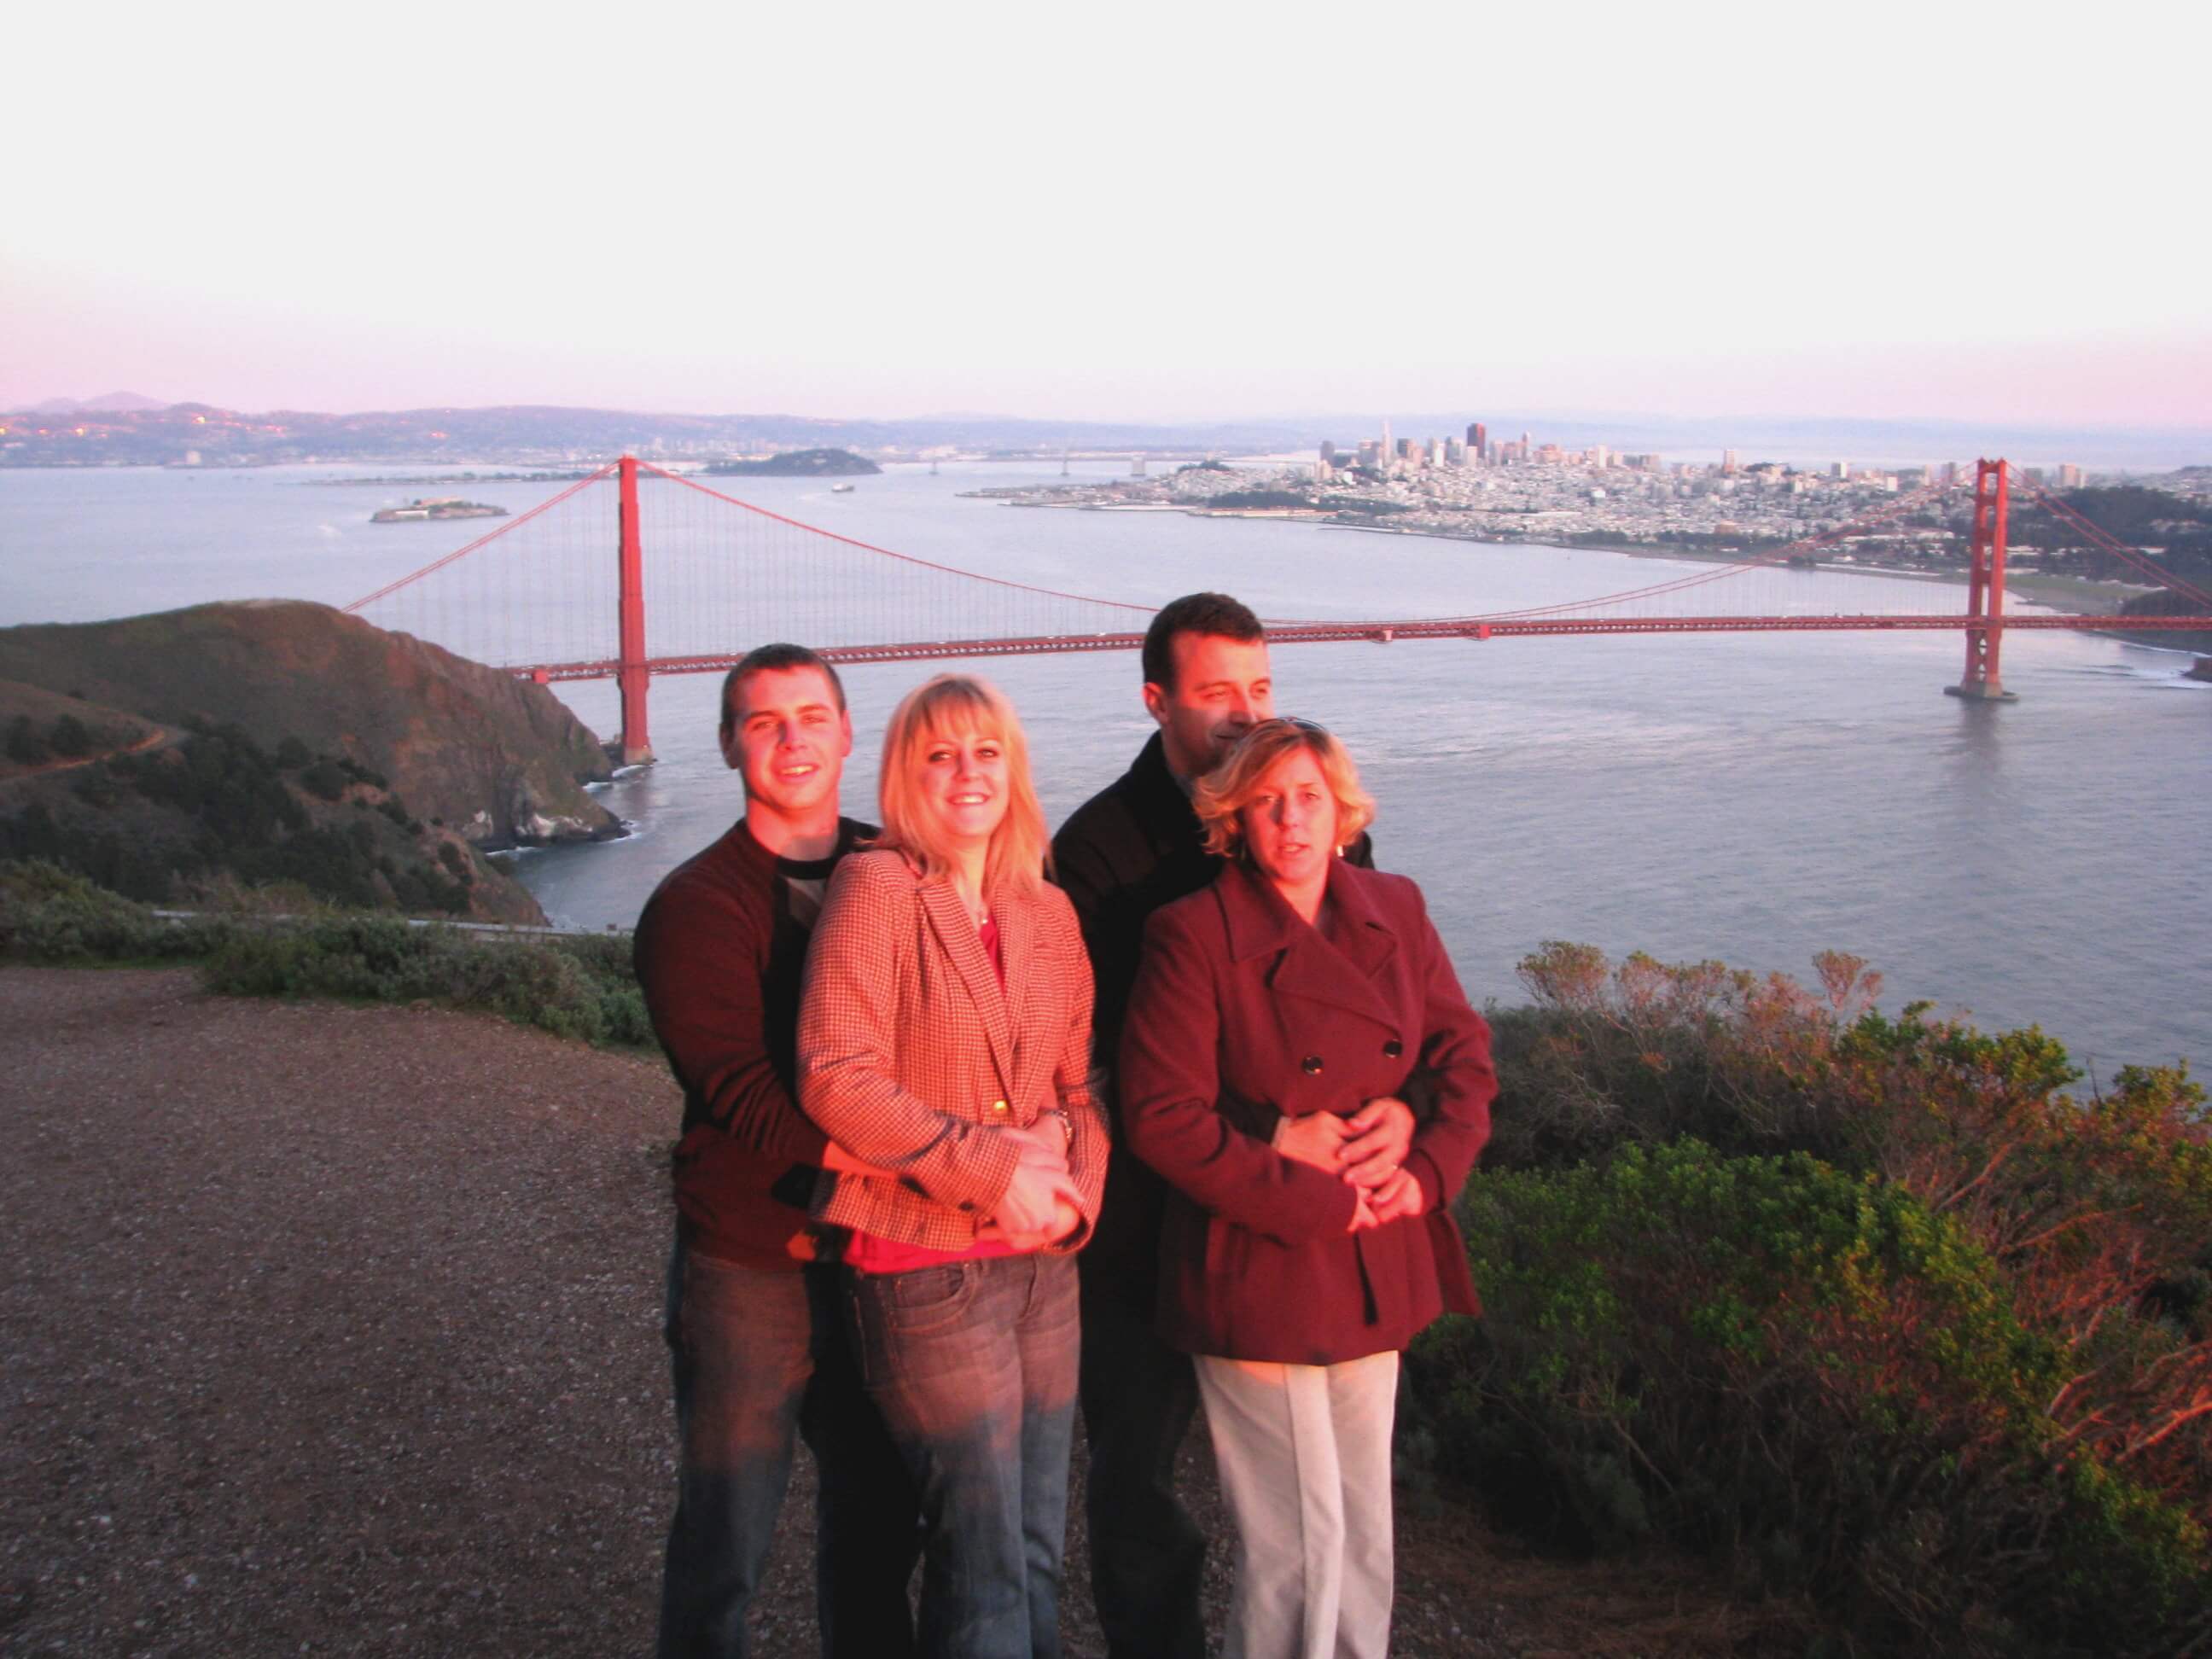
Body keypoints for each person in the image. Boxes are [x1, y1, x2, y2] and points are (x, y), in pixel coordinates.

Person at [1051, 592, 1414, 1659]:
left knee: (1322, 1496)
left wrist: (1402, 1107)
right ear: (1158, 700)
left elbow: (1375, 1001)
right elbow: (1103, 1054)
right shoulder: (1096, 852)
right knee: (1140, 1475)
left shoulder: (1315, 813)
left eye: (1261, 689)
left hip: (1291, 1216)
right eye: (1217, 695)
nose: (1246, 717)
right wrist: (1262, 1123)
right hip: (1147, 1221)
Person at [1119, 717, 1496, 1659]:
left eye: (1310, 798)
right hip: (1261, 1261)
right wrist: (1308, 1176)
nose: (1291, 819)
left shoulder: (1397, 908)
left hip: (1380, 1249)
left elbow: (1463, 1059)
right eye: (1267, 801)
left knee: (1365, 1530)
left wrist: (1423, 1160)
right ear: (1234, 820)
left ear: (1343, 813)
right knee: (1300, 1542)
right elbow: (1160, 1115)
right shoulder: (1191, 933)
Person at [797, 672, 1109, 1659]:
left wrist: (1069, 1188)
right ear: (905, 775)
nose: (967, 772)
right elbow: (835, 1077)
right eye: (940, 754)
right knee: (979, 1564)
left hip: (1043, 1268)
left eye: (986, 752)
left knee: (1036, 1548)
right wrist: (993, 1171)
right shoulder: (879, 886)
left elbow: (1082, 1085)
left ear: (1012, 769)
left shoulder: (1047, 911)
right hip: (921, 1267)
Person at [633, 643, 919, 1659]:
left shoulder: (900, 869)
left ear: (848, 733)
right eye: (764, 722)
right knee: (728, 1536)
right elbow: (745, 1097)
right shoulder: (695, 906)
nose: (793, 739)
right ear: (727, 745)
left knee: (881, 1525)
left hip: (879, 1261)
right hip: (752, 1260)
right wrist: (925, 1169)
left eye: (811, 716)